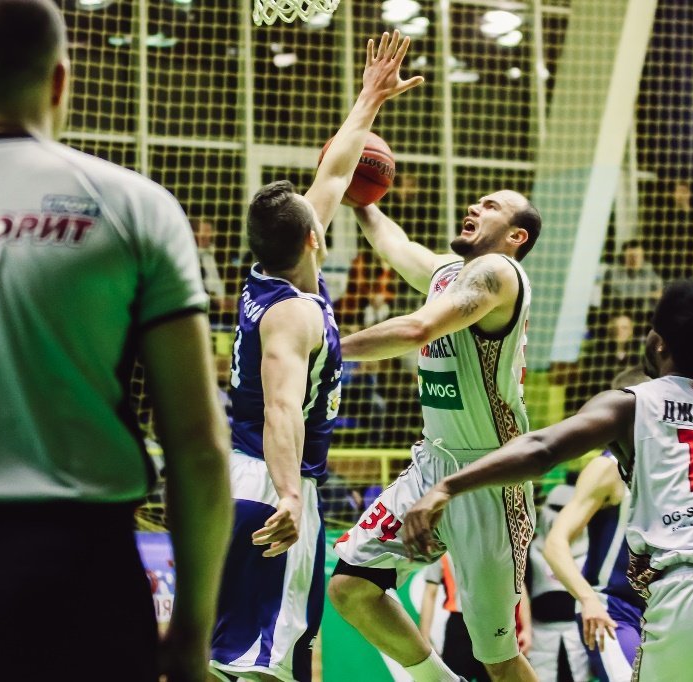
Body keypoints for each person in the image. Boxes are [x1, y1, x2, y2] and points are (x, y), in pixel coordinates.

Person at [404, 282, 693, 681]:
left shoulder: (629, 404)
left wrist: (447, 487)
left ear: (659, 343)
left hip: (683, 592)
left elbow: (541, 448)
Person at [0, 2, 232, 681]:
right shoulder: (133, 206)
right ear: (60, 80)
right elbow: (198, 446)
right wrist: (192, 636)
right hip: (78, 576)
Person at [208, 31, 423, 682]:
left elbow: (333, 174)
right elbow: (282, 409)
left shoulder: (276, 275)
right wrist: (288, 497)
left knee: (261, 657)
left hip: (252, 481)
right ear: (313, 238)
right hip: (270, 484)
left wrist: (371, 96)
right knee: (257, 666)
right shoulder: (293, 314)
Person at [328, 185, 542, 682]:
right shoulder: (450, 273)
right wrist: (362, 200)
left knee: (498, 659)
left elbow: (416, 330)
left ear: (516, 236)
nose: (474, 207)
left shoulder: (498, 273)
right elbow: (396, 246)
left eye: (491, 207)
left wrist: (323, 347)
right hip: (433, 462)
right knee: (350, 588)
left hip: (489, 476)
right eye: (477, 202)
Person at [544, 452, 646, 682]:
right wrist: (588, 599)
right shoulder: (606, 468)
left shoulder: (677, 464)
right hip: (611, 609)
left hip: (664, 606)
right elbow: (554, 543)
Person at [526, 483, 592, 682]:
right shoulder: (530, 551)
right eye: (556, 509)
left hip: (578, 634)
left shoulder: (591, 552)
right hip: (539, 634)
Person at [419, 554, 490, 682]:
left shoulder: (442, 548)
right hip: (468, 624)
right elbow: (430, 592)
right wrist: (424, 638)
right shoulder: (442, 549)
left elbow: (430, 592)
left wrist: (526, 629)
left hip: (484, 623)